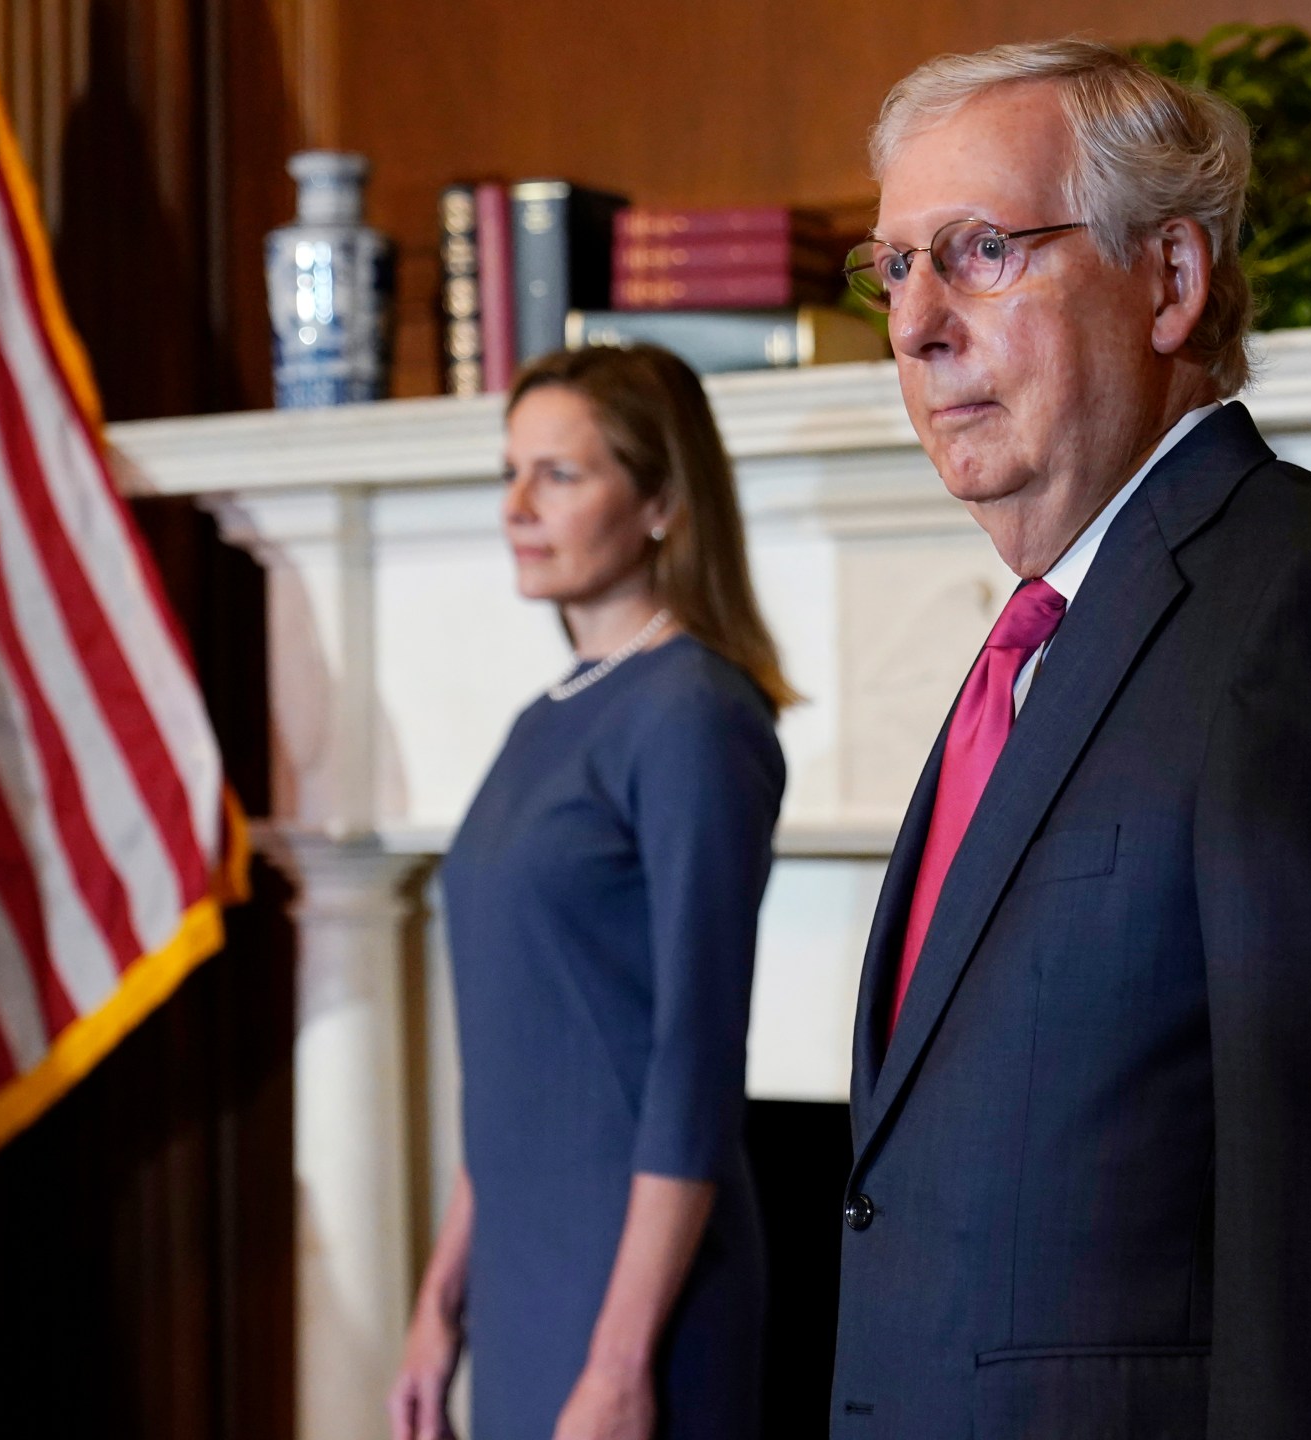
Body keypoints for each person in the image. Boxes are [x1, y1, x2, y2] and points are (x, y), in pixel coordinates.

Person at [831, 40, 1311, 1438]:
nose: (916, 324)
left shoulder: (1308, 605)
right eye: (895, 267)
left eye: (978, 251)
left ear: (1171, 280)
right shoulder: (1045, 635)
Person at [389, 344, 796, 1440]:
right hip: (525, 1285)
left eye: (560, 475)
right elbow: (522, 1059)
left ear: (663, 499)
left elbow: (694, 1067)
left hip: (641, 1310)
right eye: (511, 473)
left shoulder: (694, 717)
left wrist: (621, 1365)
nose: (517, 506)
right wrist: (440, 1299)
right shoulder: (544, 719)